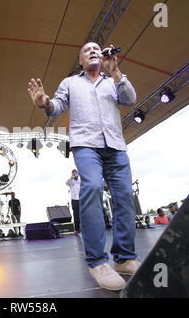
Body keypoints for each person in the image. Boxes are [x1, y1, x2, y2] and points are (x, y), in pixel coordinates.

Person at [28, 41, 139, 291]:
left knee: (124, 198)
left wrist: (116, 72)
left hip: (116, 146)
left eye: (96, 49)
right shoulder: (70, 83)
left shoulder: (113, 81)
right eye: (87, 50)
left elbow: (131, 98)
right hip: (86, 145)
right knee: (92, 188)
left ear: (103, 56)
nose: (92, 51)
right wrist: (44, 101)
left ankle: (124, 258)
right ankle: (97, 262)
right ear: (80, 61)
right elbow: (55, 108)